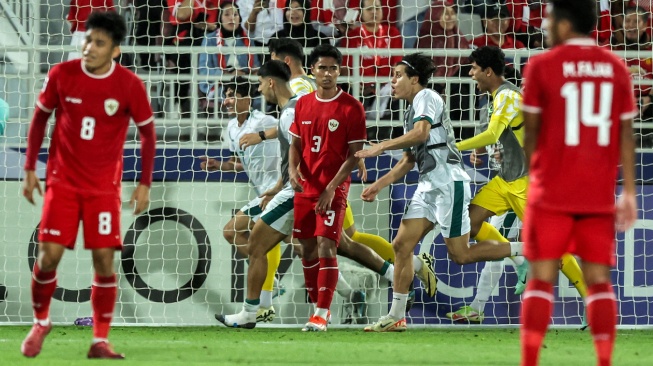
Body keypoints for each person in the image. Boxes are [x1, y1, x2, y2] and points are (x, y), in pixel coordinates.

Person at [20, 11, 156, 359]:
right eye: (87, 39)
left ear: (115, 51)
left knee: (104, 261)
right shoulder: (62, 74)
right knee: (49, 256)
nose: (88, 48)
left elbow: (147, 135)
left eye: (99, 43)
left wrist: (144, 183)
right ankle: (41, 321)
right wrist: (29, 168)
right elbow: (39, 120)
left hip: (103, 189)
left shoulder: (128, 85)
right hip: (62, 183)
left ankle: (99, 340)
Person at [520, 0, 637, 365]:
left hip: (550, 191)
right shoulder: (616, 68)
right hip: (597, 194)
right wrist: (630, 191)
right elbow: (626, 133)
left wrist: (535, 172)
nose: (546, 25)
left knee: (541, 278)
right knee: (599, 282)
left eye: (551, 18)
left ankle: (530, 361)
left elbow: (531, 134)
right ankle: (604, 360)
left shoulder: (541, 65)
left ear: (566, 24)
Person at [458, 45, 588, 313]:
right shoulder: (500, 96)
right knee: (467, 223)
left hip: (527, 182)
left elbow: (493, 135)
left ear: (488, 71)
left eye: (473, 69)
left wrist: (452, 146)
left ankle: (592, 300)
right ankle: (521, 256)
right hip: (506, 179)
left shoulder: (507, 96)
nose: (470, 74)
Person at [355, 53, 476, 332]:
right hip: (428, 184)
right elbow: (409, 159)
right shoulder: (410, 110)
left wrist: (381, 146)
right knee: (400, 245)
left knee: (460, 254)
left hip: (447, 181)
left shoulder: (427, 97)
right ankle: (396, 316)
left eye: (398, 75)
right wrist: (378, 184)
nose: (392, 81)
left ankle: (519, 251)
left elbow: (421, 134)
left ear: (415, 79)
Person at [288, 44, 367, 331]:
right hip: (306, 188)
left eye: (333, 68)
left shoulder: (351, 107)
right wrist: (291, 169)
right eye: (322, 68)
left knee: (326, 247)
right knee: (305, 249)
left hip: (332, 189)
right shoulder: (303, 103)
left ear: (339, 71)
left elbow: (354, 154)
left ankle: (322, 312)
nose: (327, 73)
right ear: (313, 70)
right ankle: (317, 309)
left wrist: (332, 187)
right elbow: (296, 143)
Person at [199, 76, 282, 323]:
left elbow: (292, 135)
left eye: (232, 95)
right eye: (226, 95)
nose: (226, 100)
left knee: (232, 231)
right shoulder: (231, 128)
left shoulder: (266, 122)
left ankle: (337, 292)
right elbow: (243, 164)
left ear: (248, 98)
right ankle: (343, 288)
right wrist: (220, 166)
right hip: (263, 194)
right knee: (302, 245)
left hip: (278, 192)